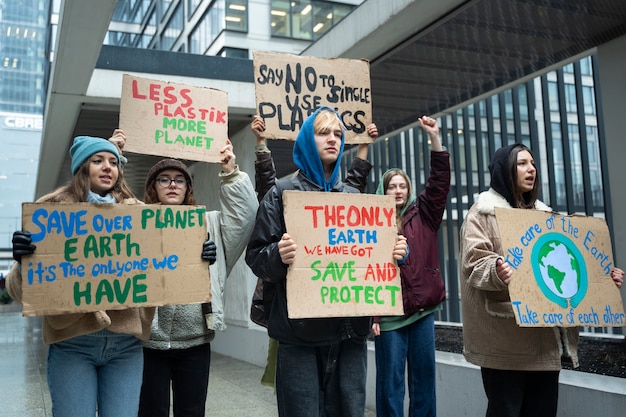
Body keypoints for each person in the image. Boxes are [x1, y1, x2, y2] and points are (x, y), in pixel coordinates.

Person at [245, 106, 407, 417]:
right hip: (299, 336)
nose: (332, 139)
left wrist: (395, 251)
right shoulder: (281, 193)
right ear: (307, 140)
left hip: (350, 335)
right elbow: (256, 256)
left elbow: (370, 256)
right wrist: (278, 255)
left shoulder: (354, 198)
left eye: (337, 134)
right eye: (323, 133)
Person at [6, 133, 172, 417]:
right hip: (72, 344)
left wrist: (196, 255)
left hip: (126, 347)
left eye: (113, 162)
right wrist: (24, 263)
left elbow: (169, 266)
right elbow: (17, 292)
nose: (108, 167)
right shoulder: (51, 212)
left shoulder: (140, 214)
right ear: (82, 167)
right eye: (98, 160)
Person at [459, 143, 624, 417]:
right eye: (522, 163)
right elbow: (474, 263)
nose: (531, 169)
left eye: (533, 163)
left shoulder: (547, 218)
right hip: (506, 341)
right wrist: (497, 270)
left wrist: (602, 279)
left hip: (546, 342)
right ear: (505, 170)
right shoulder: (482, 214)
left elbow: (571, 263)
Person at [138, 141, 257, 417]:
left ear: (188, 188)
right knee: (149, 412)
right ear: (153, 187)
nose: (172, 185)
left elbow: (246, 215)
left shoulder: (209, 224)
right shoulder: (138, 225)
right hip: (148, 343)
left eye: (180, 180)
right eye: (164, 179)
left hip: (195, 342)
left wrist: (230, 172)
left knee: (191, 412)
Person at [371, 115, 451, 417]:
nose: (398, 190)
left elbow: (439, 182)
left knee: (424, 383)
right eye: (392, 186)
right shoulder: (371, 225)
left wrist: (434, 139)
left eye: (403, 185)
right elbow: (367, 273)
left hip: (422, 313)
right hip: (389, 316)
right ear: (383, 190)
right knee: (390, 386)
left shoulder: (425, 214)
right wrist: (373, 315)